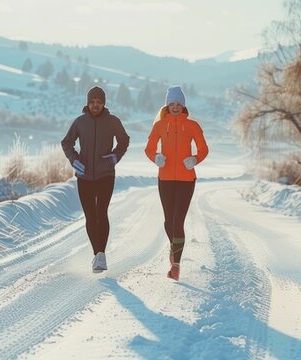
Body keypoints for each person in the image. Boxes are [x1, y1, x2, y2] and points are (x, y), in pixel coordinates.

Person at [61, 85, 130, 273]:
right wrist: (74, 160)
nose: (95, 105)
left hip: (105, 174)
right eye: (92, 102)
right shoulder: (80, 122)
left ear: (103, 103)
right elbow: (66, 142)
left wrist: (116, 156)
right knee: (91, 216)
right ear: (88, 103)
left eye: (99, 102)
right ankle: (97, 255)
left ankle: (101, 255)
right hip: (84, 175)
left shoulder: (113, 121)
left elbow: (124, 140)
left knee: (102, 213)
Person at [144, 86, 209, 281]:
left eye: (178, 103)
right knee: (168, 221)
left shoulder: (192, 126)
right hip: (165, 178)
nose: (174, 107)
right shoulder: (159, 126)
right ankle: (174, 247)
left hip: (186, 179)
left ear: (183, 105)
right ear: (167, 105)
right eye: (171, 104)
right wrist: (156, 157)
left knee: (178, 220)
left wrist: (195, 160)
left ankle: (176, 265)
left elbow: (204, 148)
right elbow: (148, 148)